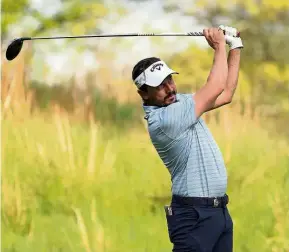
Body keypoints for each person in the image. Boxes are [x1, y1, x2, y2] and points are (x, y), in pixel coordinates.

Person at [131, 25, 243, 252]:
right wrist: (219, 45)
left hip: (218, 211)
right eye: (159, 86)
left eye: (169, 80)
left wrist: (235, 45)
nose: (169, 88)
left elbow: (226, 93)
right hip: (194, 216)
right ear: (144, 93)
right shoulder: (165, 119)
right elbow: (215, 86)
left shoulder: (179, 103)